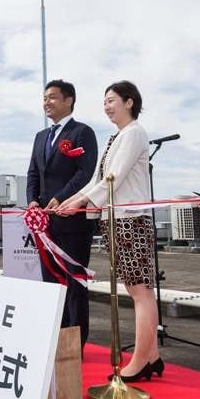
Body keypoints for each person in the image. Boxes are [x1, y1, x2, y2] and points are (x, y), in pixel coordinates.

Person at [58, 81, 162, 381]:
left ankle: (141, 360)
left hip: (131, 219)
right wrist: (72, 200)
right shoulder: (115, 138)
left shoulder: (134, 133)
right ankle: (152, 356)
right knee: (136, 289)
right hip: (116, 218)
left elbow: (114, 177)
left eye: (112, 100)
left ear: (130, 102)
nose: (106, 106)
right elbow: (97, 179)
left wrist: (78, 202)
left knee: (140, 292)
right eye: (104, 101)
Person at [26, 80, 98, 347]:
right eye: (44, 98)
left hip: (73, 220)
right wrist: (33, 201)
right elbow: (33, 172)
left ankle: (76, 341)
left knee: (74, 281)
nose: (47, 102)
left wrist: (61, 198)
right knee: (50, 281)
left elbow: (85, 172)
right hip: (45, 221)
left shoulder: (82, 133)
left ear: (69, 100)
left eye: (53, 97)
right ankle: (55, 335)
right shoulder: (40, 137)